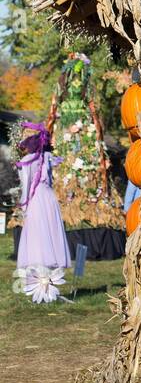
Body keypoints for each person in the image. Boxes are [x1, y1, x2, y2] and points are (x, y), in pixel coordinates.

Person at [15, 122, 72, 285]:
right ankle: (51, 276)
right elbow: (59, 163)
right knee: (51, 232)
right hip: (50, 198)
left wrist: (24, 206)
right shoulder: (47, 157)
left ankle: (40, 277)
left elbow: (26, 186)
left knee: (38, 235)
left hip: (36, 199)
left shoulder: (27, 161)